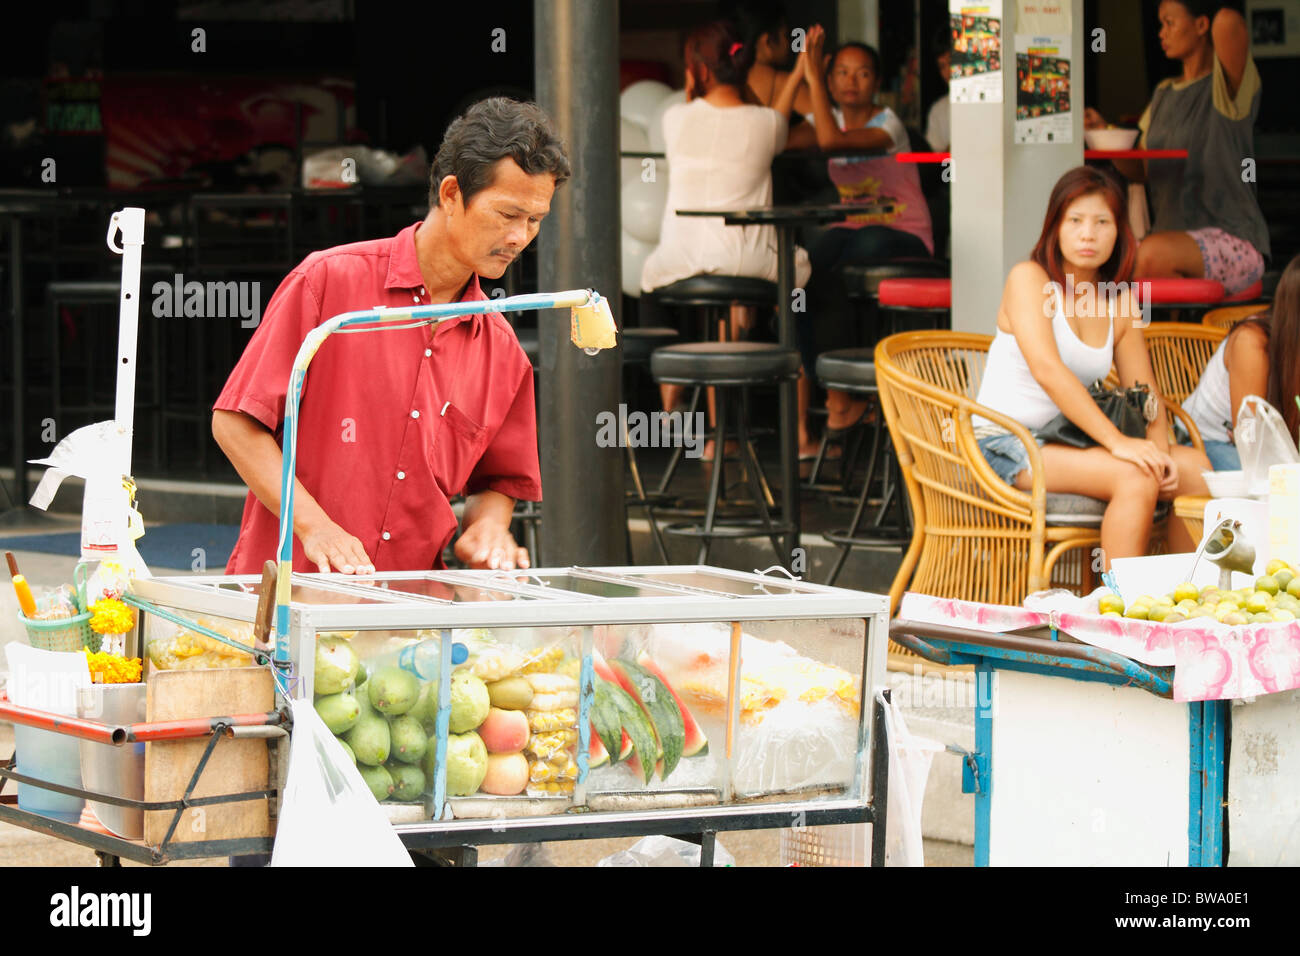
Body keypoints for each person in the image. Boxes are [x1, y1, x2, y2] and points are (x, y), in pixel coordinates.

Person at [212, 97, 570, 577]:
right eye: (507, 215)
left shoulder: (503, 350)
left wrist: (489, 526)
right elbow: (235, 423)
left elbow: (499, 480)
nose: (520, 237)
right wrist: (315, 527)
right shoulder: (327, 282)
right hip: (288, 597)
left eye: (535, 220)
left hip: (409, 623)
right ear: (450, 194)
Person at [973, 166, 1210, 565]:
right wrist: (1120, 443)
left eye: (1102, 222)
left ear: (1120, 231)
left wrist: (1160, 450)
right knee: (1134, 475)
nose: (1088, 234)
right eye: (1076, 221)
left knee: (1197, 470)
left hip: (1074, 438)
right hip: (1011, 441)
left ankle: (1177, 598)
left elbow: (1145, 391)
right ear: (1055, 227)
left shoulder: (1119, 300)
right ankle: (1119, 611)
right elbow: (1049, 371)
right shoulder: (1029, 279)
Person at [640, 19, 811, 440]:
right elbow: (772, 119)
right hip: (750, 261)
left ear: (697, 71)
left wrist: (693, 83)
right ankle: (801, 431)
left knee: (649, 285)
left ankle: (670, 385)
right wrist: (803, 68)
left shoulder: (675, 119)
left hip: (681, 258)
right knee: (799, 279)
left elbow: (717, 113)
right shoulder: (769, 124)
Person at [785, 25, 936, 455]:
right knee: (803, 270)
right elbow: (773, 136)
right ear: (830, 80)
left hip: (904, 236)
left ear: (877, 82)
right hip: (853, 237)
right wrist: (799, 74)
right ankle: (840, 397)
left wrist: (813, 79)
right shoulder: (819, 117)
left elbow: (832, 142)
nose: (851, 81)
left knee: (857, 246)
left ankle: (861, 393)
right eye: (842, 73)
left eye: (863, 73)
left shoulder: (888, 124)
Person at [1084, 2, 1268, 296]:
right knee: (1103, 260)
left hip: (1231, 242)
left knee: (1151, 255)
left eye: (1170, 22)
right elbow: (1142, 169)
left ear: (1201, 26)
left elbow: (1228, 22)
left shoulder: (1227, 87)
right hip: (1169, 238)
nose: (1161, 33)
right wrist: (1103, 134)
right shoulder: (1163, 93)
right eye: (1160, 24)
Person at [1183, 253, 1300, 471]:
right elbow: (1250, 436)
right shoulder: (1252, 341)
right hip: (1204, 443)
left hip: (1274, 451)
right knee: (1270, 485)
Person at [725, 0, 815, 114]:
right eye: (785, 35)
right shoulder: (790, 84)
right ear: (767, 42)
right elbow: (825, 127)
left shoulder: (722, 83)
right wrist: (816, 79)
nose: (789, 43)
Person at [924, 27, 951, 153]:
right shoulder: (939, 109)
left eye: (952, 63)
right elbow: (936, 163)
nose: (948, 72)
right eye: (942, 66)